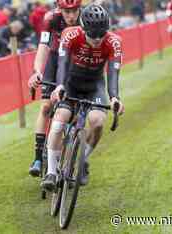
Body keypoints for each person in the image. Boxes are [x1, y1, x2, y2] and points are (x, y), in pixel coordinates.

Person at [40, 4, 125, 190]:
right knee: (59, 121)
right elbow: (62, 63)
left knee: (98, 122)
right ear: (83, 28)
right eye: (92, 35)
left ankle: (82, 160)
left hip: (95, 85)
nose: (96, 39)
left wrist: (114, 98)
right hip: (71, 82)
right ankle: (51, 173)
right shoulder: (71, 34)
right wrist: (60, 85)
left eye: (101, 35)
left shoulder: (114, 42)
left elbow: (113, 73)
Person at [27, 0, 82, 177]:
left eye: (74, 11)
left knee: (75, 110)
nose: (71, 16)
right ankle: (37, 158)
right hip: (55, 58)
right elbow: (43, 47)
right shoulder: (51, 19)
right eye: (67, 12)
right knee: (45, 107)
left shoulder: (85, 20)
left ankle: (71, 158)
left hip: (75, 62)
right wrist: (36, 72)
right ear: (60, 10)